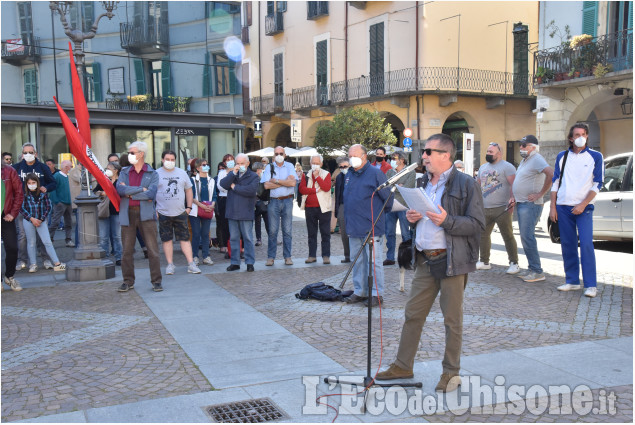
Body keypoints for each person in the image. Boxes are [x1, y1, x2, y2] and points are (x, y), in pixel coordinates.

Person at [376, 134, 485, 393]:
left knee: (452, 320)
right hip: (424, 258)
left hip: (451, 260)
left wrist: (447, 221)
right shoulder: (423, 181)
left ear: (445, 155)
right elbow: (424, 216)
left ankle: (451, 373)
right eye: (423, 151)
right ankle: (403, 365)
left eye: (428, 151)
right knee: (413, 314)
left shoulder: (466, 184)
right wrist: (414, 218)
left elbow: (478, 225)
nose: (423, 156)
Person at [550, 123, 604, 298]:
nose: (580, 137)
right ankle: (572, 281)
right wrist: (553, 207)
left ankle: (590, 285)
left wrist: (583, 204)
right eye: (576, 134)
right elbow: (556, 181)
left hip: (585, 207)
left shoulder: (595, 156)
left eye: (583, 134)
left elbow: (598, 183)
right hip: (563, 205)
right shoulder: (562, 156)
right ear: (571, 138)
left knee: (587, 244)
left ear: (587, 136)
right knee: (568, 244)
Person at [344, 144, 393, 307]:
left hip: (371, 226)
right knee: (357, 261)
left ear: (364, 156)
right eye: (349, 155)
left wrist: (376, 217)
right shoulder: (349, 174)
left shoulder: (376, 174)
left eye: (354, 155)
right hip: (354, 226)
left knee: (374, 262)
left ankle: (376, 294)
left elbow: (388, 199)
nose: (351, 158)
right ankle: (360, 291)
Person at [116, 141, 163, 292]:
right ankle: (127, 281)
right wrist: (139, 190)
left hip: (146, 214)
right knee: (127, 251)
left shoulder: (152, 173)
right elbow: (120, 190)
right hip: (127, 214)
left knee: (152, 249)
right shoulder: (124, 171)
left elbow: (151, 193)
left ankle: (156, 281)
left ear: (141, 154)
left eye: (132, 152)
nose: (129, 155)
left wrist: (131, 193)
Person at [512, 135, 554, 282]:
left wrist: (540, 193)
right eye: (520, 145)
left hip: (531, 205)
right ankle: (532, 268)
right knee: (525, 237)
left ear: (533, 147)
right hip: (522, 203)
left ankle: (537, 271)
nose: (521, 148)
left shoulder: (537, 158)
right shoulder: (526, 160)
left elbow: (551, 174)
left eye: (524, 145)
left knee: (527, 237)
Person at [475, 142, 519, 274]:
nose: (488, 154)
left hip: (502, 208)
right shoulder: (483, 167)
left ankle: (514, 263)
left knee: (507, 235)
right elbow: (478, 186)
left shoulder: (507, 167)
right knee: (483, 235)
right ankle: (484, 261)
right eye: (487, 151)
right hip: (484, 207)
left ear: (499, 153)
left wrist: (512, 200)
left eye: (491, 152)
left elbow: (514, 185)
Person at [155, 150, 201, 275]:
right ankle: (170, 264)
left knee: (185, 239)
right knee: (166, 240)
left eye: (172, 159)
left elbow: (189, 190)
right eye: (167, 159)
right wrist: (155, 209)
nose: (170, 162)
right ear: (162, 160)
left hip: (180, 212)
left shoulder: (181, 173)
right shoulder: (156, 174)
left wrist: (189, 207)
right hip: (163, 212)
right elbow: (151, 193)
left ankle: (191, 264)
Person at [13, 143, 56, 271]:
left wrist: (46, 188)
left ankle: (46, 259)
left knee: (43, 236)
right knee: (22, 235)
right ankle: (23, 260)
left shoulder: (43, 167)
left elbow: (53, 183)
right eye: (25, 152)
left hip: (40, 206)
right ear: (22, 154)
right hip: (22, 206)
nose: (28, 155)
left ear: (35, 154)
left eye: (31, 152)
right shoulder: (16, 168)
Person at [220, 153, 259, 272]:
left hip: (246, 211)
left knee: (248, 238)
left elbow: (251, 191)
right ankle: (235, 262)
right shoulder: (232, 175)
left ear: (247, 163)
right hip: (232, 211)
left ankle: (249, 262)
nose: (240, 165)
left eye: (242, 163)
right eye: (238, 163)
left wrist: (235, 187)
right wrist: (233, 173)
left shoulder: (253, 176)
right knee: (234, 238)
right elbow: (223, 185)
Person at [20, 173, 66, 272]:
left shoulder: (42, 194)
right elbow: (22, 208)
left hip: (41, 220)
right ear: (26, 184)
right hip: (29, 220)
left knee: (47, 241)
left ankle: (57, 263)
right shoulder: (24, 195)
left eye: (33, 182)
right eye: (29, 183)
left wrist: (41, 218)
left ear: (37, 183)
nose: (31, 184)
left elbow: (48, 206)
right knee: (31, 242)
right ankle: (33, 264)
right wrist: (32, 218)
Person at [262, 146, 299, 266]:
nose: (279, 155)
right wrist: (285, 182)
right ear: (273, 155)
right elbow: (266, 186)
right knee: (272, 231)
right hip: (273, 201)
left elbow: (293, 183)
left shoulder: (289, 166)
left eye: (281, 153)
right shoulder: (269, 166)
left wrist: (276, 181)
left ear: (285, 155)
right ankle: (271, 257)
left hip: (288, 201)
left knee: (287, 230)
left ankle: (287, 257)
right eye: (276, 153)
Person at [299, 154, 332, 264]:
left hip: (324, 208)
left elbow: (327, 187)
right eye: (313, 163)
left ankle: (326, 255)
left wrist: (317, 177)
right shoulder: (306, 175)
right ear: (310, 163)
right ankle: (312, 255)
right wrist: (314, 190)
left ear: (321, 164)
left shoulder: (326, 174)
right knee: (311, 233)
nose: (315, 165)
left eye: (317, 163)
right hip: (310, 208)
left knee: (325, 233)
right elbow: (302, 189)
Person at [384, 150, 415, 266]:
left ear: (402, 160)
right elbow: (386, 186)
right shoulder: (389, 172)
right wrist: (398, 186)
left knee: (405, 233)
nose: (392, 160)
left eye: (394, 158)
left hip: (404, 205)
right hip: (390, 205)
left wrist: (395, 187)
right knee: (389, 233)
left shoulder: (410, 172)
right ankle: (390, 257)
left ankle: (407, 258)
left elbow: (408, 187)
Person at [95, 161, 123, 266]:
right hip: (104, 212)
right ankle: (105, 257)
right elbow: (95, 191)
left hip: (116, 211)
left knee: (117, 236)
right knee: (103, 237)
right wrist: (102, 193)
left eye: (109, 168)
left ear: (116, 170)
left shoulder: (121, 181)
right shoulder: (104, 180)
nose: (106, 170)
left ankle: (118, 257)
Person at [2, 163, 24, 291]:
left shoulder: (9, 171)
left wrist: (13, 213)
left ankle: (9, 276)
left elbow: (19, 193)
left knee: (12, 248)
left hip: (6, 215)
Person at [189, 158, 215, 266]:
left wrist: (212, 205)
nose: (206, 166)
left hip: (208, 210)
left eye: (207, 164)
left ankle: (206, 256)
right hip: (195, 210)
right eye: (204, 165)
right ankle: (194, 256)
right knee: (196, 234)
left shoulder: (211, 180)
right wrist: (202, 205)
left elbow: (214, 195)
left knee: (205, 234)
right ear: (198, 168)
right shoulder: (193, 180)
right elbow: (191, 196)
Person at [47, 160, 74, 247]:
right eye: (70, 166)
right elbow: (52, 189)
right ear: (66, 167)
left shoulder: (67, 176)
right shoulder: (57, 176)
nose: (71, 168)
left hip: (68, 202)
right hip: (60, 203)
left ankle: (68, 239)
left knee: (68, 222)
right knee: (55, 221)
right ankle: (49, 239)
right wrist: (56, 201)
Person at [334, 157, 351, 263]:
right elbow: (337, 194)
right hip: (342, 205)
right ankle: (347, 255)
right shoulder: (339, 177)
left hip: (353, 205)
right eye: (341, 167)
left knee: (354, 232)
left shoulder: (354, 175)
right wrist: (336, 209)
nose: (343, 168)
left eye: (345, 166)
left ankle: (356, 254)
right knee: (344, 232)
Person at [216, 155, 234, 255]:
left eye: (231, 160)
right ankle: (226, 246)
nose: (229, 162)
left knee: (235, 224)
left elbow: (237, 185)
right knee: (224, 224)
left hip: (234, 199)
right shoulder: (222, 172)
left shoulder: (236, 171)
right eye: (227, 160)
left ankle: (237, 247)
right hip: (224, 199)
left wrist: (227, 186)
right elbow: (220, 186)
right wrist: (230, 187)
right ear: (224, 162)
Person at [252, 162, 269, 246]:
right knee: (258, 221)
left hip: (263, 201)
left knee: (267, 220)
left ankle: (271, 238)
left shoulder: (263, 177)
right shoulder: (254, 177)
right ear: (258, 169)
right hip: (256, 202)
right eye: (262, 168)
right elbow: (258, 190)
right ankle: (258, 239)